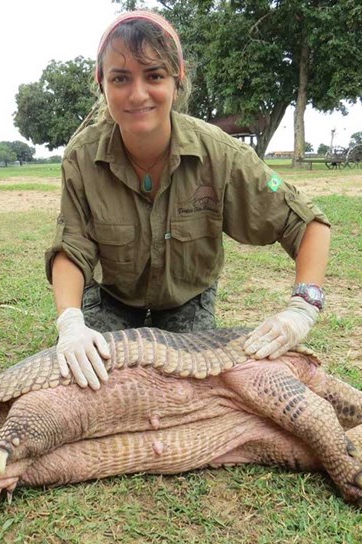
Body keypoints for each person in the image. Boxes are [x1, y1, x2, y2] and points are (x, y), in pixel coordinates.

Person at [45, 10, 331, 390]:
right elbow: (72, 247)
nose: (138, 94)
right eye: (120, 78)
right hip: (112, 297)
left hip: (187, 301)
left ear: (177, 80)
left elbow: (308, 225)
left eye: (154, 75)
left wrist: (302, 308)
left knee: (190, 388)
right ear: (102, 84)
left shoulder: (220, 154)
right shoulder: (81, 157)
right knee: (89, 384)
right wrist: (70, 323)